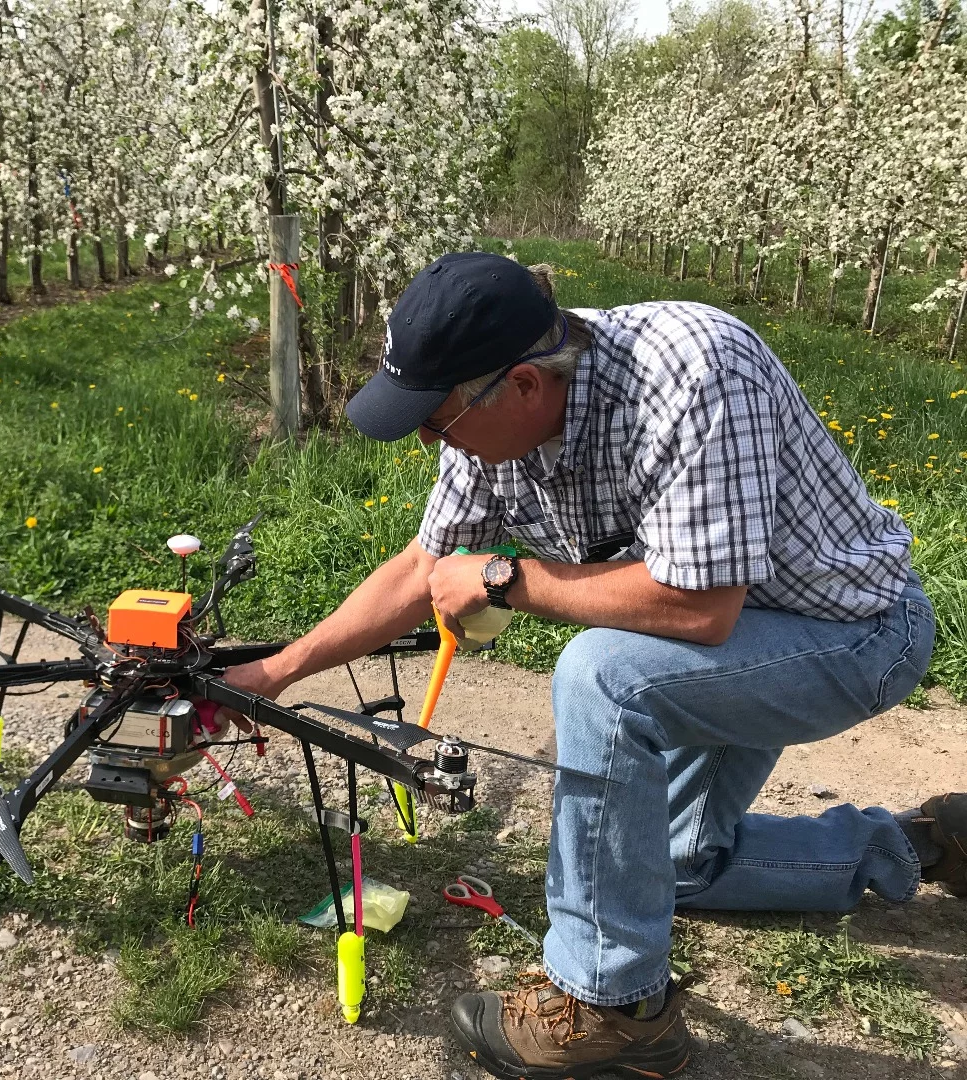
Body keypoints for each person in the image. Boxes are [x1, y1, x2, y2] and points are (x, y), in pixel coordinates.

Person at [222, 252, 965, 1080]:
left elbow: (699, 608)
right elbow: (420, 569)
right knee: (668, 864)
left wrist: (505, 578)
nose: (430, 441)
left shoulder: (693, 372)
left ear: (526, 387)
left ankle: (611, 1008)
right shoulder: (489, 423)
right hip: (733, 640)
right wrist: (275, 673)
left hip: (853, 632)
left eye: (437, 421)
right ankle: (918, 847)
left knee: (600, 677)